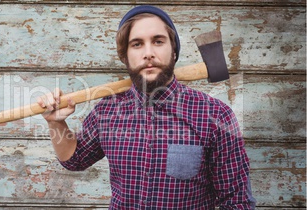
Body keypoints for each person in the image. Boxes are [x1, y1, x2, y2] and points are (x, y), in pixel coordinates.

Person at [37, 5, 256, 209]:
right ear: (125, 55)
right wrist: (56, 123)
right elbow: (74, 160)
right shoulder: (106, 112)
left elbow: (237, 200)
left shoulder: (214, 115)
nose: (148, 53)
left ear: (174, 51)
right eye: (137, 44)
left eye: (158, 41)